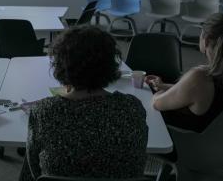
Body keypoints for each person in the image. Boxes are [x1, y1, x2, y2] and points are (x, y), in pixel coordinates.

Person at [19, 26, 148, 180]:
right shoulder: (132, 108)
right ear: (110, 65)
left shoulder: (43, 112)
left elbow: (34, 171)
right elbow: (138, 161)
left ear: (61, 66)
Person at [146, 13, 223, 133]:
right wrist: (167, 86)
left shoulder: (200, 78)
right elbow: (201, 95)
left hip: (186, 144)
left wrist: (161, 92)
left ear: (207, 40)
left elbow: (156, 103)